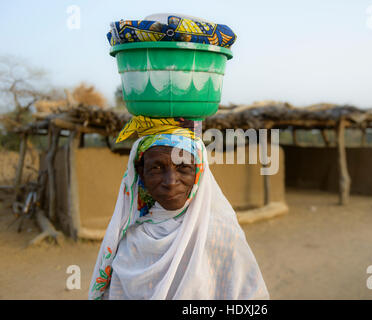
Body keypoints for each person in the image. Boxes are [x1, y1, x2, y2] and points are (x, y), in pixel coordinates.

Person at [88, 117, 269, 300]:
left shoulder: (222, 235)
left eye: (183, 167)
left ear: (198, 171)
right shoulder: (130, 239)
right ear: (141, 173)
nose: (170, 182)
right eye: (157, 168)